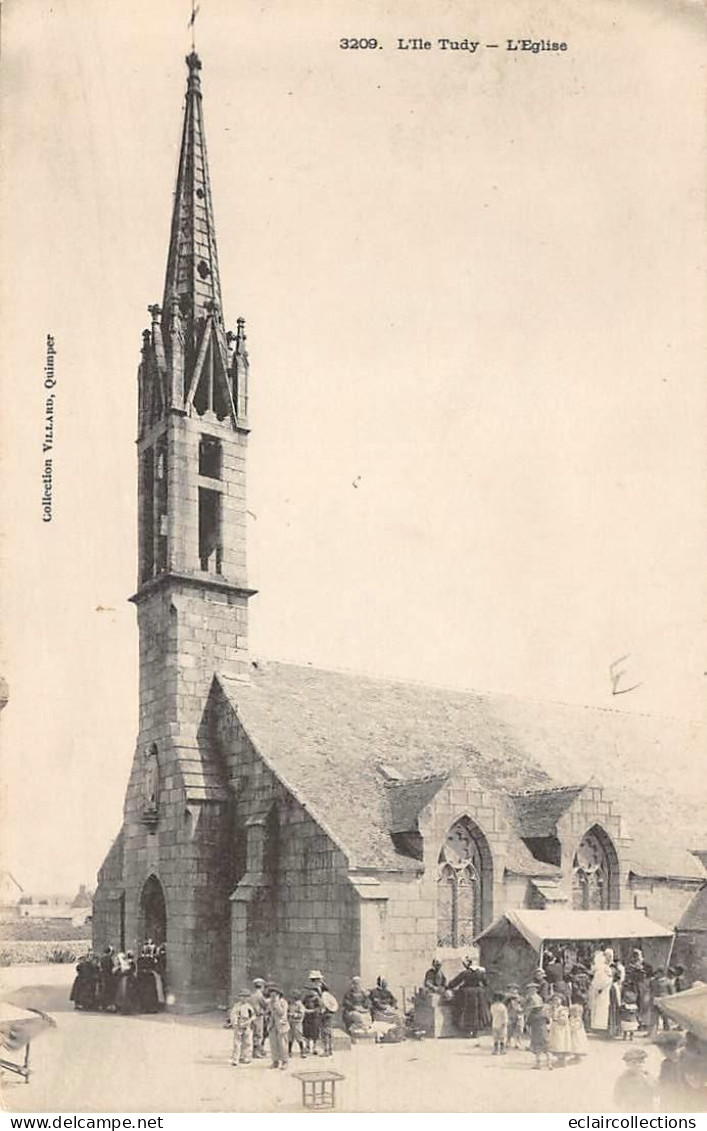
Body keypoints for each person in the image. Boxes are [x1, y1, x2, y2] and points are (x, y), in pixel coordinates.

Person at [448, 956, 490, 1038]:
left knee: (468, 1012)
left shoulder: (465, 973)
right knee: (477, 1012)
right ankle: (475, 1032)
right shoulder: (480, 973)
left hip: (467, 994)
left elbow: (454, 983)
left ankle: (468, 1031)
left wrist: (448, 986)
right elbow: (486, 983)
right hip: (478, 994)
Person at [613, 1047, 655, 1113]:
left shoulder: (648, 1077)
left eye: (641, 1062)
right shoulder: (623, 1079)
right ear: (628, 1064)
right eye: (634, 1062)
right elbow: (616, 1098)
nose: (638, 1065)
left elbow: (655, 1093)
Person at [654, 1031, 686, 1112]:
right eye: (662, 1051)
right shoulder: (665, 1064)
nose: (664, 1054)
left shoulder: (687, 1063)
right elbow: (662, 1082)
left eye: (666, 1051)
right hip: (668, 1102)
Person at [589, 948, 614, 1032]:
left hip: (604, 990)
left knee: (602, 1007)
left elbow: (608, 979)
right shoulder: (600, 968)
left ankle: (601, 1026)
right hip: (598, 989)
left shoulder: (605, 968)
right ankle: (597, 1025)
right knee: (597, 1007)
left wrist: (601, 986)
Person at [229, 988, 255, 1067]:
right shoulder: (237, 1006)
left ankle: (246, 1057)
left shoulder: (249, 1007)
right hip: (239, 1025)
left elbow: (253, 1016)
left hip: (247, 1025)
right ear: (239, 997)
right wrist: (236, 1023)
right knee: (237, 1043)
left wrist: (249, 1021)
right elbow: (233, 1015)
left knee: (248, 1042)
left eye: (246, 997)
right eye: (242, 996)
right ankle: (235, 1059)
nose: (244, 998)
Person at [267, 987, 290, 1070]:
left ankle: (285, 1061)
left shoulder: (283, 1002)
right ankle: (275, 1061)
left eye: (274, 995)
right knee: (273, 1044)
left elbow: (281, 1013)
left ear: (278, 995)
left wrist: (276, 1004)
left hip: (282, 1026)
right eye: (271, 996)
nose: (272, 997)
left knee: (282, 1044)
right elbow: (271, 1014)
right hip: (273, 1025)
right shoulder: (270, 1003)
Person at [548, 993, 571, 1066]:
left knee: (561, 1041)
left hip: (561, 1027)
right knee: (555, 1042)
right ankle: (559, 1059)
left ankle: (562, 1060)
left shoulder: (563, 1009)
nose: (555, 1001)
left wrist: (558, 1018)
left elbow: (564, 1018)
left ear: (561, 1000)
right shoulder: (553, 1008)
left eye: (557, 1000)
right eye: (554, 1000)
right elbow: (550, 1015)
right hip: (555, 1026)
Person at [527, 1003, 552, 1070]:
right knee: (547, 1050)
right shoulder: (544, 1014)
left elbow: (528, 1023)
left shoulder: (531, 1015)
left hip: (535, 1033)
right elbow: (548, 1021)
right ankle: (549, 1064)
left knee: (538, 1050)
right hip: (544, 1032)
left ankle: (538, 1064)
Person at [249, 977, 268, 1059]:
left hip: (253, 1016)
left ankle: (257, 1050)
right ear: (262, 986)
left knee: (255, 1034)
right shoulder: (260, 996)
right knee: (258, 1034)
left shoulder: (252, 995)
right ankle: (256, 1052)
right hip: (259, 1016)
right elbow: (265, 1005)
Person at [98, 946, 117, 1011]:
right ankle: (109, 1005)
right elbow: (111, 968)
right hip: (109, 976)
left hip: (103, 975)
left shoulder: (101, 959)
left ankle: (103, 1005)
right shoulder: (109, 959)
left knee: (103, 990)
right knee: (109, 990)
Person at [289, 992, 307, 1058]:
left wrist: (294, 1015)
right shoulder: (291, 1004)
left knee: (299, 1037)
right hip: (290, 1022)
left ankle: (302, 1051)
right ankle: (289, 1051)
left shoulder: (300, 1005)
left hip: (297, 1023)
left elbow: (301, 1014)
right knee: (290, 1037)